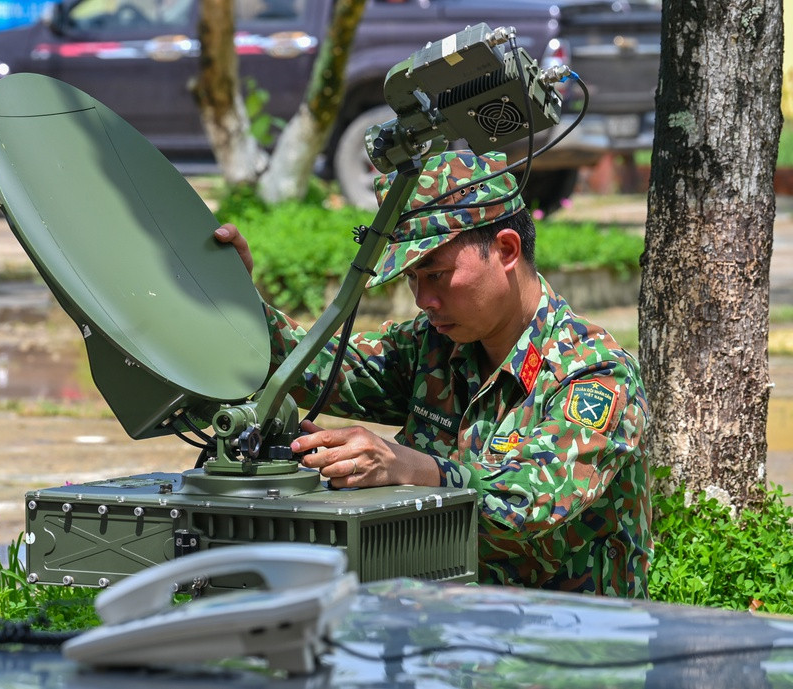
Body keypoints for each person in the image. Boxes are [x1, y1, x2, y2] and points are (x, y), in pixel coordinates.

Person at [214, 150, 651, 597]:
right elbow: (320, 368)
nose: (424, 299)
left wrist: (406, 466)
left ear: (505, 250)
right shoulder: (435, 344)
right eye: (413, 279)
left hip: (570, 644)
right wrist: (240, 305)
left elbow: (531, 503)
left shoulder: (594, 372)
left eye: (437, 275)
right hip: (444, 629)